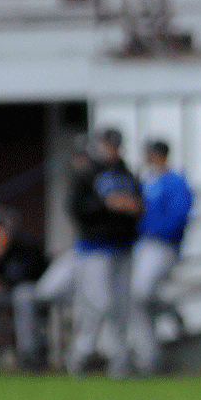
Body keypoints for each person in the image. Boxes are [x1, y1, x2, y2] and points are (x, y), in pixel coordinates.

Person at [67, 127, 142, 377]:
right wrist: (107, 205)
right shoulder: (87, 174)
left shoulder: (128, 175)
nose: (110, 149)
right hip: (94, 249)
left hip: (123, 246)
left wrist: (131, 208)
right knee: (100, 304)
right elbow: (76, 209)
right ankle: (81, 353)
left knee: (121, 307)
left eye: (114, 145)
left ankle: (119, 362)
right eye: (106, 144)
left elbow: (139, 206)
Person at [128, 139, 193, 375]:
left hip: (162, 245)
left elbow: (178, 218)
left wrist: (152, 228)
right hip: (141, 245)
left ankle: (169, 310)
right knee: (136, 300)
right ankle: (148, 358)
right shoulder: (145, 182)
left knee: (141, 293)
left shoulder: (176, 181)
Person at [0, 204, 50, 371]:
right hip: (6, 292)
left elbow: (23, 275)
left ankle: (29, 354)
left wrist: (0, 278)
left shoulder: (27, 242)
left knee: (22, 295)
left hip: (35, 291)